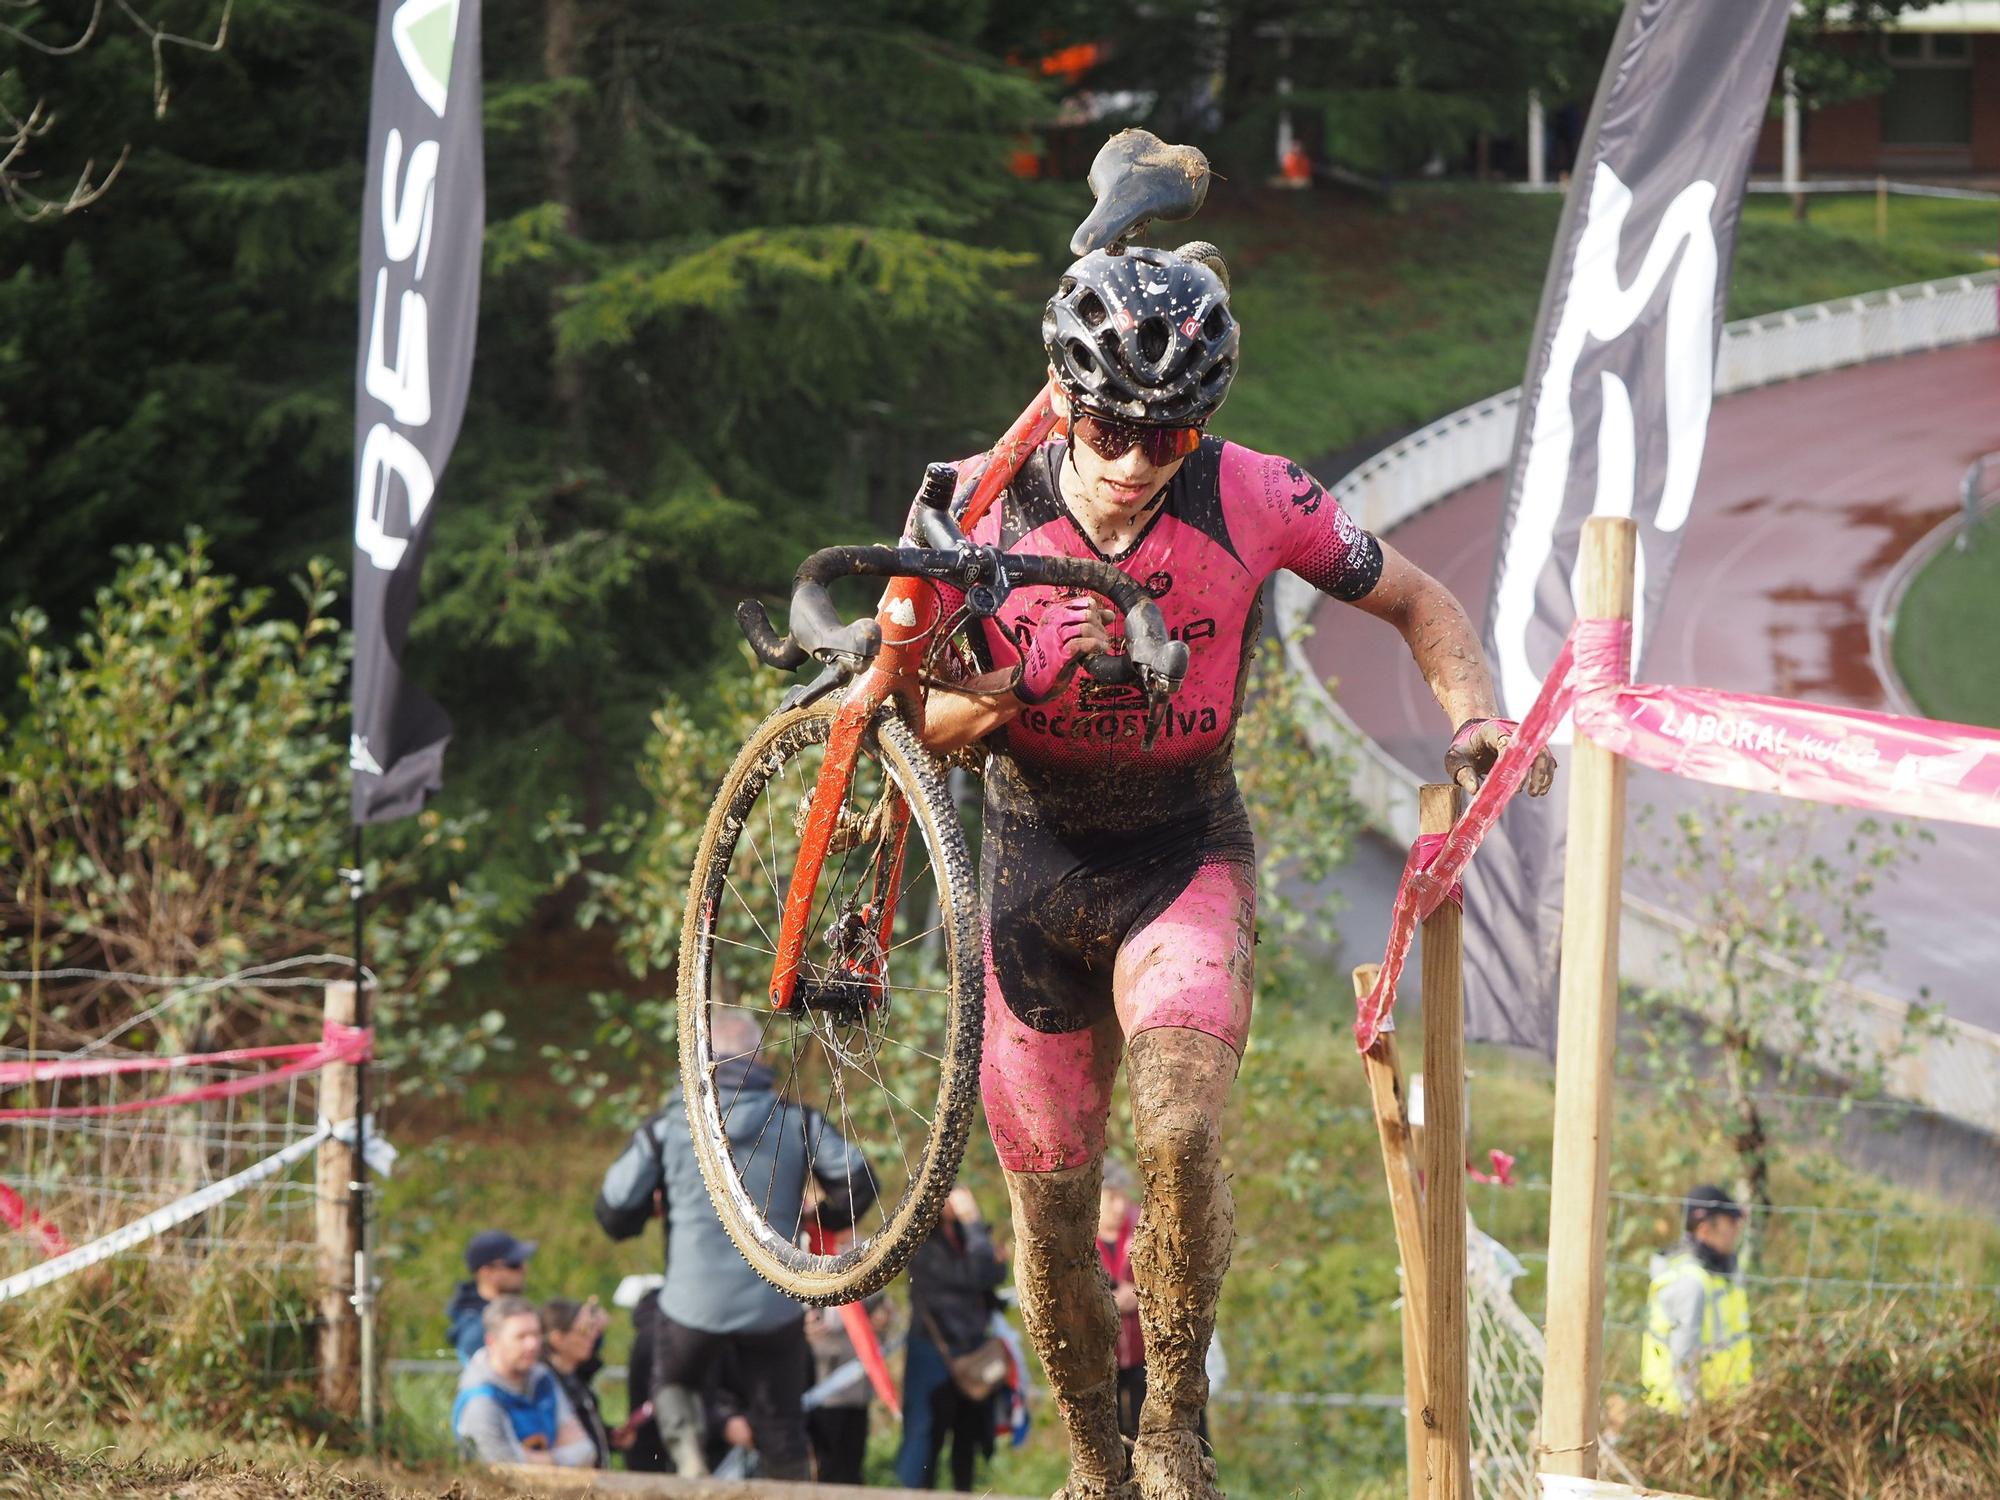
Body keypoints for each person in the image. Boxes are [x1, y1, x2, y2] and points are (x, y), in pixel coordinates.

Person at [906, 242, 1559, 1500]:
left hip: (1180, 847)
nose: (1134, 463)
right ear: (1061, 397)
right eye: (1108, 428)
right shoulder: (972, 500)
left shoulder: (1253, 493)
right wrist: (1018, 685)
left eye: (1169, 437)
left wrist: (1473, 713)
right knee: (1046, 1217)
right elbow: (907, 719)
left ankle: (1173, 1433)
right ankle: (1093, 1457)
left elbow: (1419, 600)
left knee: (1180, 1131)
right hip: (1032, 860)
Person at [594, 1007, 877, 1482]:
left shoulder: (669, 1125)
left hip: (692, 1304)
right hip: (774, 1300)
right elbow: (859, 1178)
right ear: (761, 1060)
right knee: (780, 1419)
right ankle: (787, 1488)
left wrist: (652, 1209)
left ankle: (689, 1464)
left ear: (703, 1058)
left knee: (673, 1378)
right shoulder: (798, 1121)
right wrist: (816, 1218)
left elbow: (614, 1207)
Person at [896, 1184, 1009, 1492]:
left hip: (972, 1348)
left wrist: (973, 1227)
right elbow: (976, 1274)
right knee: (923, 1439)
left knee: (967, 1442)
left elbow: (994, 1274)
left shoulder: (961, 1235)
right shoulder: (918, 1243)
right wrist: (973, 1221)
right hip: (933, 1353)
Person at [1642, 1184, 1753, 1414]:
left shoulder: (1717, 1277)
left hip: (1719, 1409)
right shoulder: (1691, 1283)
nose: (1736, 1230)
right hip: (1684, 1415)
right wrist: (1690, 1407)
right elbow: (1682, 1354)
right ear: (1704, 1230)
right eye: (1730, 1223)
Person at [452, 1295, 595, 1468]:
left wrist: (535, 1459)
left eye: (536, 1334)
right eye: (521, 1336)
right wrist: (559, 1458)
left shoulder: (542, 1379)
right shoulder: (479, 1398)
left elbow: (585, 1451)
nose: (532, 1344)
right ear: (492, 1341)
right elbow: (503, 1466)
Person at [804, 1294, 888, 1484]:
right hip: (822, 1391)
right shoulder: (806, 1275)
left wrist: (882, 1323)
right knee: (827, 1469)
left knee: (852, 1469)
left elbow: (879, 1318)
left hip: (858, 1389)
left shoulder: (868, 1279)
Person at [1095, 1159, 1146, 1439]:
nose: (1119, 1206)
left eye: (1123, 1197)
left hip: (1144, 1353)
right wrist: (1106, 1302)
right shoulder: (1080, 1240)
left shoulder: (1144, 1229)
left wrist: (1138, 1295)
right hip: (1102, 1358)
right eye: (1111, 1197)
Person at [541, 1296, 614, 1468]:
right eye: (583, 1330)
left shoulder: (577, 1377)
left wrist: (610, 1436)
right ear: (557, 1338)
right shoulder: (545, 1386)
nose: (592, 1337)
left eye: (593, 1330)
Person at [447, 1229, 537, 1364]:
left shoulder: (508, 1314)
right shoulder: (477, 1331)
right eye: (514, 1264)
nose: (524, 1269)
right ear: (486, 1272)